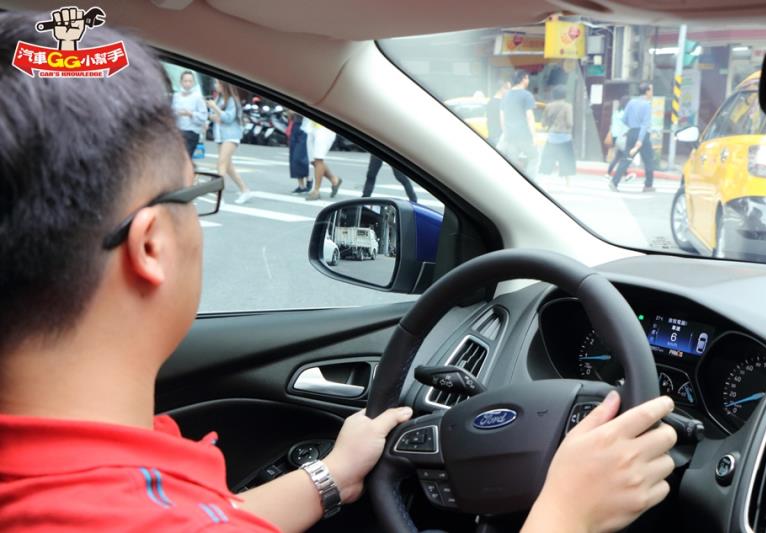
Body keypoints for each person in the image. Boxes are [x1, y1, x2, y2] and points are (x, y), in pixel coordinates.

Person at [0, 12, 677, 533]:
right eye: (195, 193)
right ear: (151, 245)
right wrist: (566, 511)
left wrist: (330, 474)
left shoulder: (75, 475)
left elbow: (212, 520)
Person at [207, 79, 253, 204]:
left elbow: (228, 118)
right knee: (228, 167)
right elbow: (214, 116)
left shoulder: (232, 100)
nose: (215, 85)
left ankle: (218, 197)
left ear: (223, 85)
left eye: (217, 83)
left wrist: (215, 108)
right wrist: (213, 114)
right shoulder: (219, 99)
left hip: (231, 135)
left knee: (221, 164)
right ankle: (245, 190)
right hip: (220, 136)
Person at [610, 82, 656, 193]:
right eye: (651, 90)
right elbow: (645, 124)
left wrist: (632, 126)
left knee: (626, 158)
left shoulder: (631, 102)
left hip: (631, 132)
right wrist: (640, 140)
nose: (652, 92)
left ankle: (614, 181)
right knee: (648, 160)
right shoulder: (647, 105)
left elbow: (624, 119)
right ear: (647, 91)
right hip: (642, 135)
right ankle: (648, 185)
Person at [500, 69, 539, 177]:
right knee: (534, 157)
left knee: (512, 162)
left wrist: (506, 133)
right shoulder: (527, 95)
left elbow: (502, 117)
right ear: (523, 79)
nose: (528, 80)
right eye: (527, 78)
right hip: (524, 135)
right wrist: (534, 136)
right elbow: (529, 117)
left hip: (510, 136)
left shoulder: (506, 96)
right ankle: (531, 182)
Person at [538, 85, 576, 187]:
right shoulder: (568, 106)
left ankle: (543, 183)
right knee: (566, 161)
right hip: (565, 138)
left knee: (547, 160)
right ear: (564, 95)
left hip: (552, 138)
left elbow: (543, 123)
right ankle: (568, 184)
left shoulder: (548, 106)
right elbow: (570, 123)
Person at [303, 118, 343, 201]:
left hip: (325, 128)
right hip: (311, 127)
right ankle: (334, 179)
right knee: (313, 161)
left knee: (318, 159)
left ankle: (316, 191)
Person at [172, 70, 208, 158]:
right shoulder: (176, 96)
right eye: (185, 81)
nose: (188, 83)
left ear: (193, 83)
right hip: (177, 131)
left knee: (186, 157)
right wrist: (176, 113)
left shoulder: (198, 97)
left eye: (190, 81)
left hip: (191, 132)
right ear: (181, 82)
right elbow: (171, 112)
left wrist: (191, 114)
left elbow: (204, 116)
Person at [605, 95, 635, 181]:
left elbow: (613, 124)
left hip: (614, 135)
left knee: (620, 155)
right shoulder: (625, 113)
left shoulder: (616, 112)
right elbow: (627, 125)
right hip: (622, 136)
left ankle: (621, 174)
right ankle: (622, 174)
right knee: (622, 156)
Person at [287, 110, 310, 193]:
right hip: (295, 126)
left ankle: (309, 179)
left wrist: (295, 112)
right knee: (293, 157)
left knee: (300, 156)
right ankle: (301, 186)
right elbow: (289, 115)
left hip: (306, 127)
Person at [486, 77, 511, 147]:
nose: (510, 91)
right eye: (508, 89)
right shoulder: (503, 103)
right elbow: (504, 121)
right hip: (500, 138)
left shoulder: (490, 102)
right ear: (502, 89)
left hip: (492, 135)